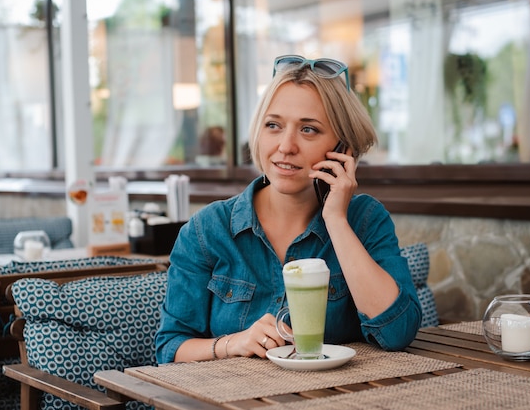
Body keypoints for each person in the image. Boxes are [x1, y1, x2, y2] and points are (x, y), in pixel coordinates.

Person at [156, 55, 422, 364]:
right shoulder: (207, 230)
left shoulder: (364, 221)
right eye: (273, 125)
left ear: (342, 149)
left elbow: (398, 332)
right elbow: (170, 349)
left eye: (308, 129)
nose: (286, 146)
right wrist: (233, 343)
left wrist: (336, 220)